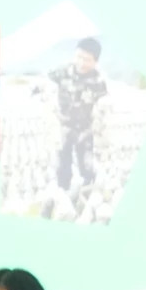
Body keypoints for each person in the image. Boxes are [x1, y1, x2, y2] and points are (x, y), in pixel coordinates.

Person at [47, 38, 108, 190]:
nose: (81, 63)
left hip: (85, 129)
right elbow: (46, 82)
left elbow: (103, 102)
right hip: (64, 125)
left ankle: (88, 190)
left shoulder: (98, 80)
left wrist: (100, 120)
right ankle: (63, 190)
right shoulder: (62, 71)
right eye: (78, 57)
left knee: (87, 164)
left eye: (87, 60)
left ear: (95, 62)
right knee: (62, 164)